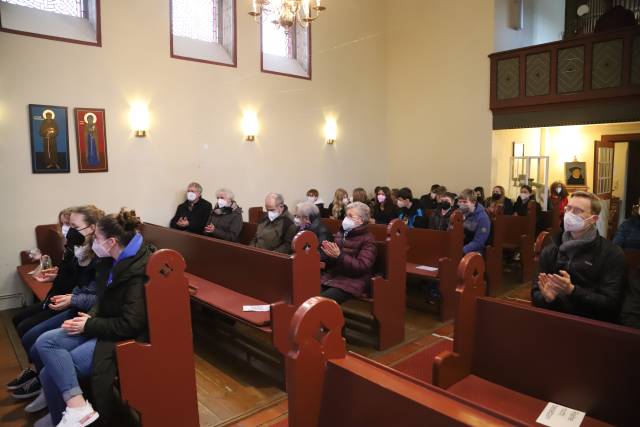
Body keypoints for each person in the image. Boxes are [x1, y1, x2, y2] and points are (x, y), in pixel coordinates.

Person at [31, 208, 153, 427]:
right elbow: (102, 299)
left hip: (118, 336)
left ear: (111, 242)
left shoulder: (138, 270)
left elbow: (131, 324)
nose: (93, 242)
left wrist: (89, 324)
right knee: (44, 342)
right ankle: (76, 409)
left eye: (96, 238)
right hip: (100, 323)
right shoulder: (111, 261)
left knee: (51, 372)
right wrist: (90, 317)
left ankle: (69, 414)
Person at [8, 206, 104, 408]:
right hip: (74, 303)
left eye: (73, 225)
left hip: (84, 310)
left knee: (37, 340)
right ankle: (44, 384)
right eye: (66, 225)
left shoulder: (99, 254)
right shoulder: (77, 248)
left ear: (92, 228)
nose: (68, 230)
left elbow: (96, 294)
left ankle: (49, 387)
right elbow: (77, 281)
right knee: (29, 333)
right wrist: (58, 277)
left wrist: (72, 298)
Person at [532, 191, 627, 323]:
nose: (569, 215)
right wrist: (546, 299)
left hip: (591, 325)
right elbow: (535, 292)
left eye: (578, 211)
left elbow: (611, 305)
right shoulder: (551, 249)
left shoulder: (612, 254)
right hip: (554, 320)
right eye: (568, 209)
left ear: (593, 219)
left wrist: (572, 291)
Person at [320, 202, 377, 304]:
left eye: (350, 216)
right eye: (346, 215)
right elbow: (333, 261)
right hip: (335, 275)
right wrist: (327, 254)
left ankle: (329, 319)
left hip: (354, 280)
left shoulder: (368, 239)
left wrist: (339, 256)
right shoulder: (341, 233)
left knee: (322, 301)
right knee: (307, 292)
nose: (346, 219)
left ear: (361, 220)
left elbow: (362, 266)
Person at [457, 189, 491, 254]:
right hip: (459, 245)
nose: (461, 204)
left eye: (465, 202)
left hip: (474, 250)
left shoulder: (482, 217)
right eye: (460, 202)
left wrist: (461, 250)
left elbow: (479, 242)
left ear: (473, 202)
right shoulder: (458, 212)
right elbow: (451, 230)